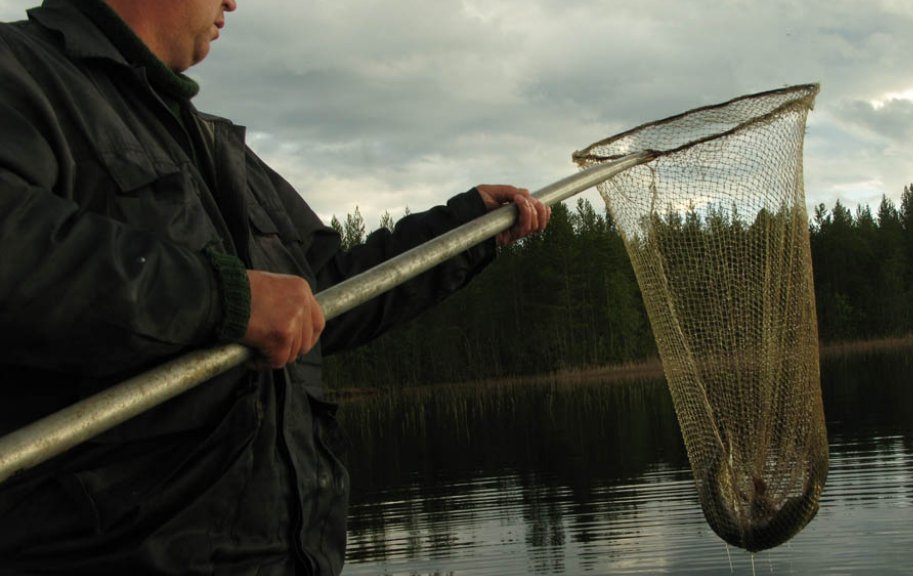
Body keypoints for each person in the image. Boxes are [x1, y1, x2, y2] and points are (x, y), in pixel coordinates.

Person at [0, 0, 551, 573]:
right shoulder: (19, 71)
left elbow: (325, 299)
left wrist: (464, 231)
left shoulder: (211, 144)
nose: (233, 2)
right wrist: (223, 299)